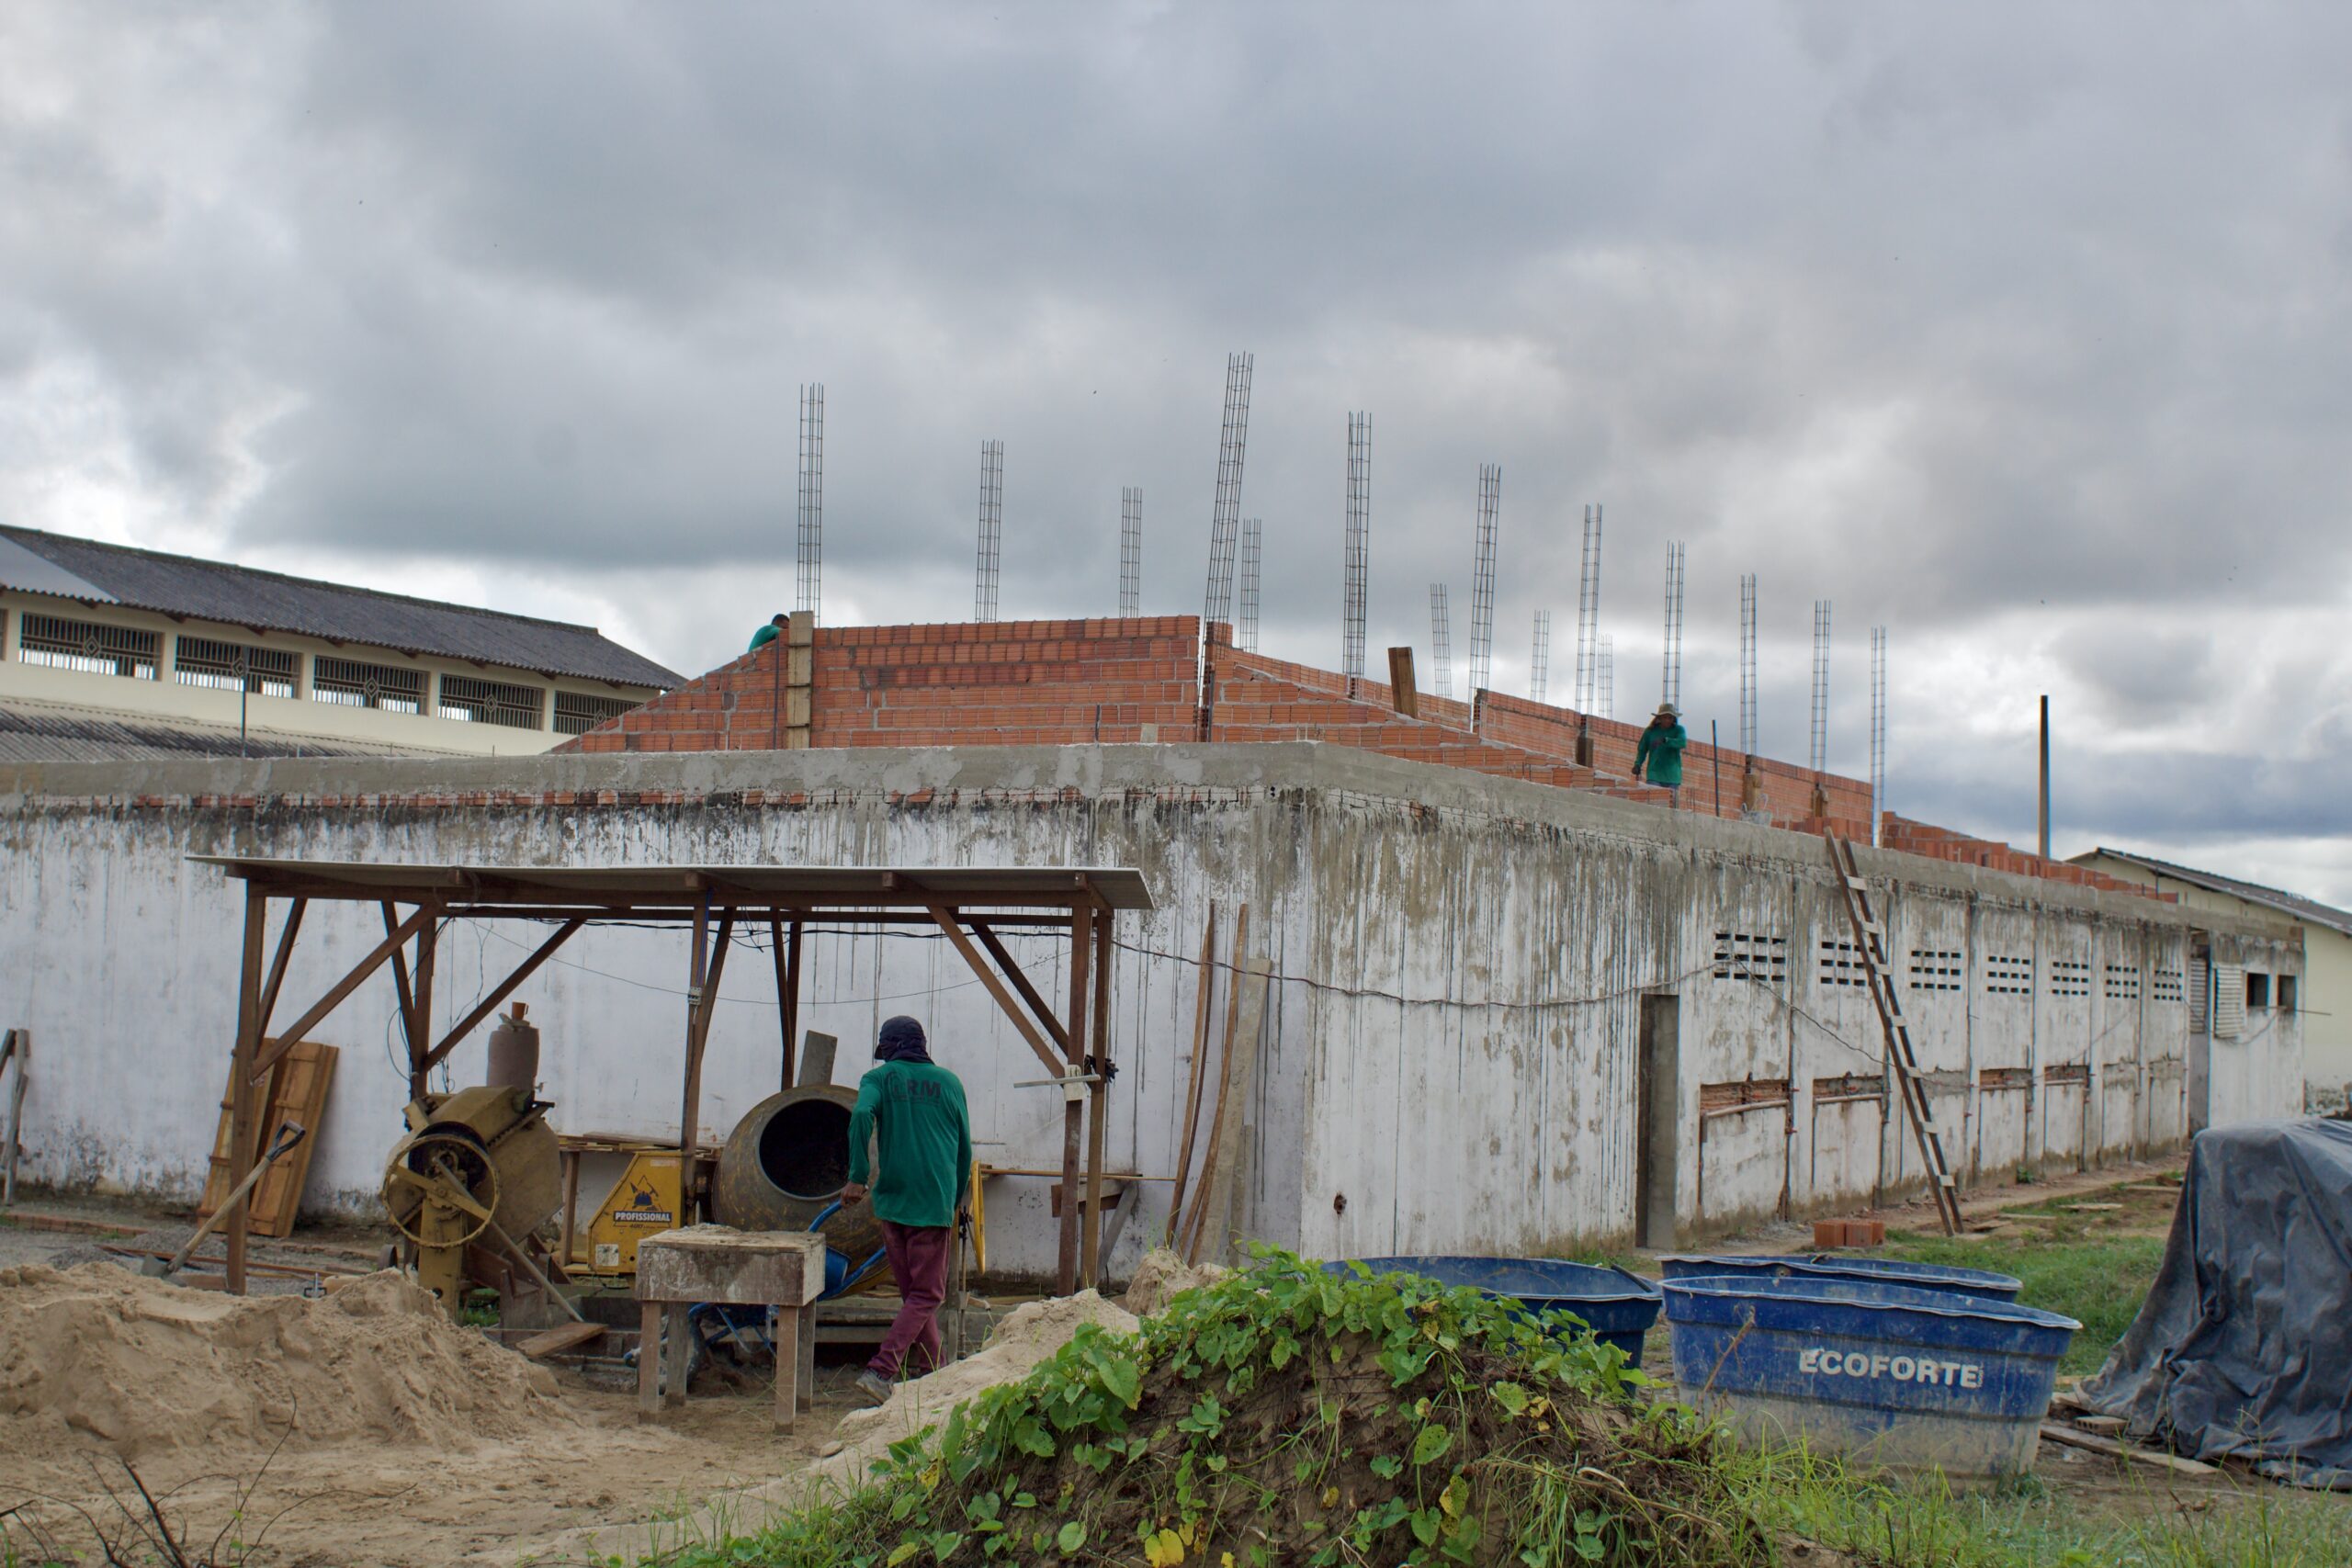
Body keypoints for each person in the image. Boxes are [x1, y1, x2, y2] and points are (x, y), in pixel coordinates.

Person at [841, 1015, 972, 1404]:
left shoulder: (877, 1080)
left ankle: (935, 1373)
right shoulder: (950, 1083)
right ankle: (882, 1369)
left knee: (915, 1295)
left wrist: (858, 1176)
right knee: (928, 1295)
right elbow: (964, 1149)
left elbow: (862, 1115)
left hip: (892, 1202)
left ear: (889, 1048)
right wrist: (952, 1198)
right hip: (932, 1201)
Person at [1633, 702, 1687, 805]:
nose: (1667, 720)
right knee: (1655, 803)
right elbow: (1642, 749)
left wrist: (1667, 740)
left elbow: (1682, 742)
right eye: (1665, 717)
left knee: (1671, 805)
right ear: (1659, 718)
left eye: (1670, 718)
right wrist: (1637, 764)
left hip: (1672, 776)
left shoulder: (1678, 730)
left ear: (1673, 719)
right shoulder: (1650, 732)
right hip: (1654, 774)